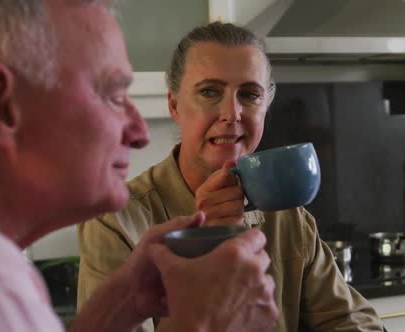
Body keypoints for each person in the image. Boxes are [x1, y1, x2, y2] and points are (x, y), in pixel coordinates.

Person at [0, 1, 279, 331]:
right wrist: (204, 324)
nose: (138, 133)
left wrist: (119, 307)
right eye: (113, 95)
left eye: (249, 95)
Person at [78, 22, 386, 331]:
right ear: (174, 105)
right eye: (209, 92)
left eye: (250, 94)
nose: (231, 113)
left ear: (265, 107)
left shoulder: (289, 218)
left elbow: (354, 323)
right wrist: (208, 251)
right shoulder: (116, 221)